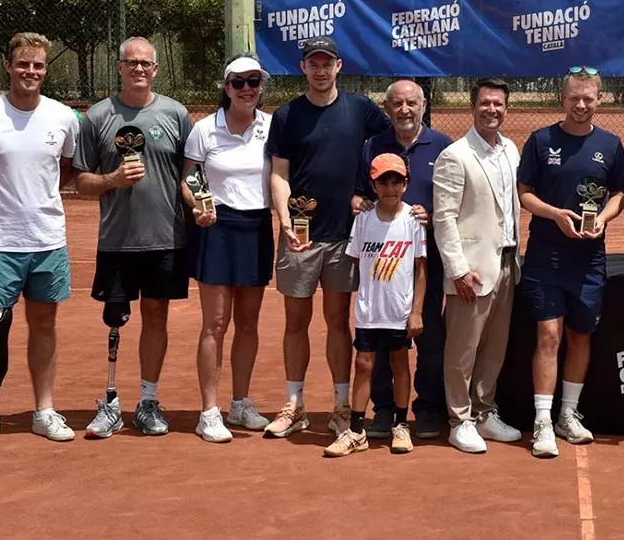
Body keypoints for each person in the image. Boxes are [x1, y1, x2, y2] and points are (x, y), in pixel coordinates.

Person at [0, 32, 80, 449]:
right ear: (8, 66)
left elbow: (64, 168)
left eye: (38, 65)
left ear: (46, 70)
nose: (30, 71)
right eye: (23, 64)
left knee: (45, 324)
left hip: (48, 239)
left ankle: (43, 411)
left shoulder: (63, 117)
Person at [263, 36, 391, 439]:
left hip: (344, 238)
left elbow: (389, 152)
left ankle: (340, 405)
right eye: (313, 64)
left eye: (327, 63)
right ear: (303, 68)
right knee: (295, 320)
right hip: (300, 236)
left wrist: (367, 193)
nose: (320, 70)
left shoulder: (361, 109)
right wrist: (283, 218)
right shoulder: (287, 115)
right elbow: (279, 173)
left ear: (339, 66)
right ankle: (295, 404)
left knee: (338, 320)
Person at [75, 36, 192, 438]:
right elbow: (80, 182)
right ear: (120, 67)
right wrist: (111, 179)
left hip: (165, 238)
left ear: (156, 69)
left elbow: (188, 175)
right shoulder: (98, 116)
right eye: (131, 62)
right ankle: (109, 402)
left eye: (146, 63)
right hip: (117, 241)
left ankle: (147, 400)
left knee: (156, 317)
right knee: (114, 321)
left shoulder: (176, 115)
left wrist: (200, 204)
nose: (139, 68)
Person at [518, 66, 624, 458]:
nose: (581, 105)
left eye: (588, 98)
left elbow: (619, 193)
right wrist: (554, 214)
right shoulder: (541, 140)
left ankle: (568, 413)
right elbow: (525, 195)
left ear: (599, 99)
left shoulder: (612, 145)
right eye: (574, 98)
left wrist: (603, 217)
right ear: (562, 100)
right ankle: (543, 421)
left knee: (581, 335)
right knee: (549, 336)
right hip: (546, 255)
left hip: (589, 260)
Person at [180, 54, 275, 443]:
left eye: (254, 81)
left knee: (249, 323)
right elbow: (188, 177)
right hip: (216, 228)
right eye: (239, 82)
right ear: (226, 88)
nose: (247, 89)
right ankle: (209, 411)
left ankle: (240, 403)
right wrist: (198, 204)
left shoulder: (272, 127)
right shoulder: (204, 129)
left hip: (256, 227)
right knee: (216, 323)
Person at [357, 80, 452, 440]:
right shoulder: (373, 146)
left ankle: (427, 408)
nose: (405, 110)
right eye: (397, 104)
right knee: (382, 338)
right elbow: (358, 195)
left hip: (426, 259)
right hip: (384, 263)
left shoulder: (444, 146)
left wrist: (434, 214)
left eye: (411, 103)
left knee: (428, 336)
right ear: (386, 108)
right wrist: (361, 204)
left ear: (423, 105)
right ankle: (383, 409)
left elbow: (456, 200)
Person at [435, 78, 524, 453]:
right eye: (485, 103)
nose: (492, 110)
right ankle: (460, 419)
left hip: (507, 262)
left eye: (499, 104)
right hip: (471, 270)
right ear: (473, 107)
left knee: (493, 347)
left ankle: (485, 413)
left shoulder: (511, 151)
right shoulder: (455, 156)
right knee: (462, 349)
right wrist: (457, 270)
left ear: (507, 109)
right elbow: (444, 218)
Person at [325, 153, 427, 457]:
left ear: (406, 184)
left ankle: (400, 424)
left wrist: (417, 311)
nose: (390, 188)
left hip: (400, 311)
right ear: (373, 184)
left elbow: (422, 269)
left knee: (399, 363)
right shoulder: (364, 221)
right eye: (383, 182)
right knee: (363, 364)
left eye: (396, 182)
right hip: (370, 310)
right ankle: (356, 430)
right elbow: (355, 262)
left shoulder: (412, 220)